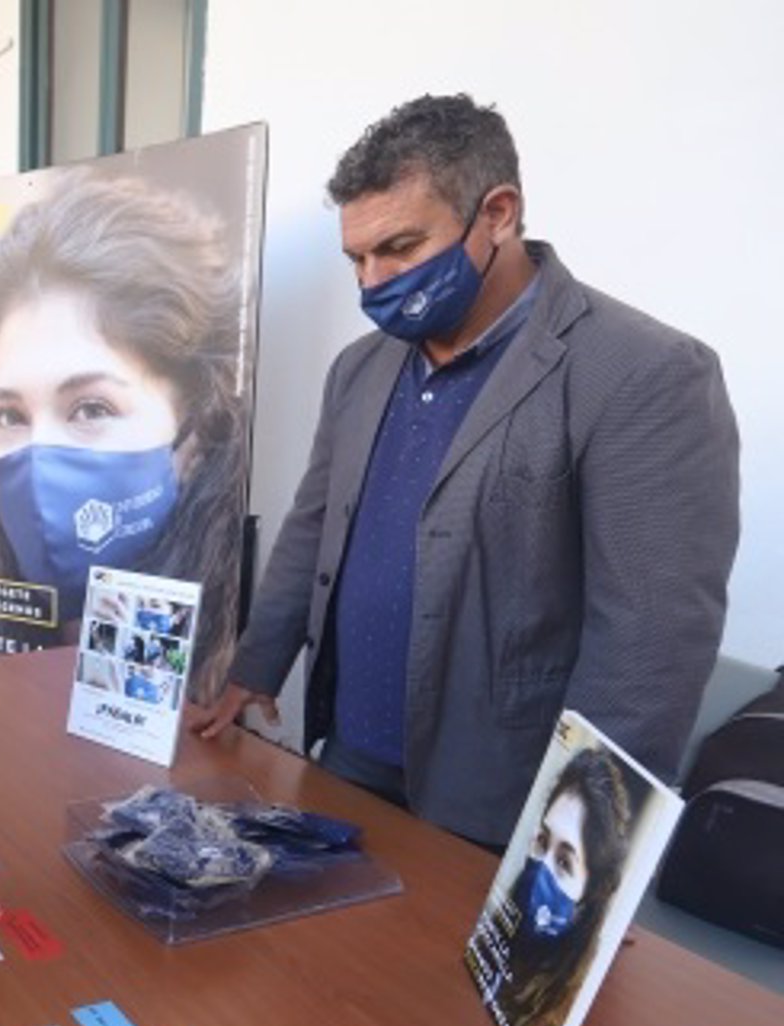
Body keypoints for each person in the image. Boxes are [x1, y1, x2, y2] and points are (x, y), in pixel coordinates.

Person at [190, 94, 740, 849]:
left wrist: (582, 837)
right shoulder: (360, 368)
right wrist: (254, 665)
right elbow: (315, 526)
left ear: (498, 213)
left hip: (501, 794)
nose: (372, 281)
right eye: (357, 258)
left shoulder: (643, 374)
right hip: (347, 754)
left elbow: (650, 645)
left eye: (402, 248)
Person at [0, 170, 249, 697]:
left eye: (90, 407)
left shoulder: (228, 655)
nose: (39, 461)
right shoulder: (2, 631)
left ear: (197, 423)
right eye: (9, 415)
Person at [493, 748, 634, 1026]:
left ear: (588, 897)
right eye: (543, 841)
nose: (540, 868)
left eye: (564, 862)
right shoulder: (495, 943)